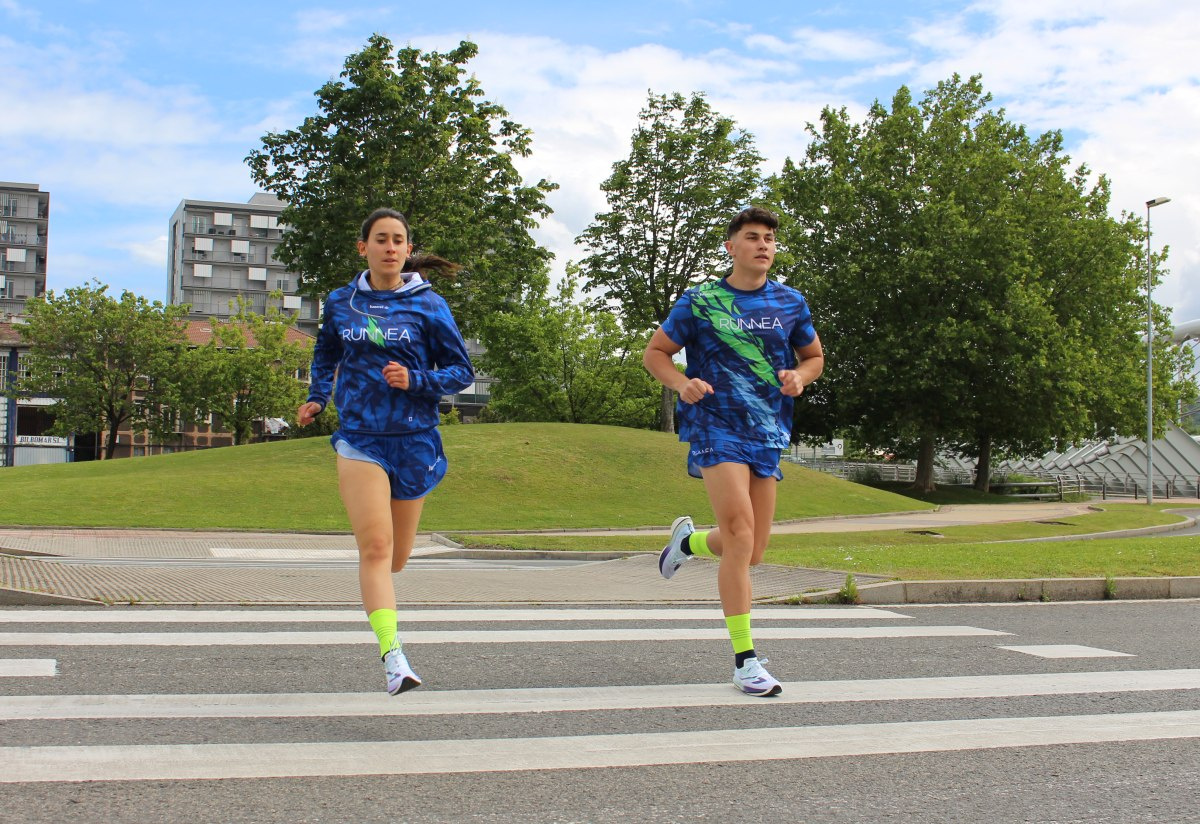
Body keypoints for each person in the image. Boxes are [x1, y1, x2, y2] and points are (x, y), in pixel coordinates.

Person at [642, 206, 825, 696]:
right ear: (731, 246)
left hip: (766, 430)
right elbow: (655, 353)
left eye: (769, 238)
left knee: (753, 552)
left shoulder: (790, 302)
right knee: (740, 534)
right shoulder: (701, 301)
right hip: (715, 426)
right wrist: (682, 384)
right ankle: (745, 660)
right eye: (752, 237)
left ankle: (688, 544)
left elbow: (814, 357)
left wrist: (798, 378)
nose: (763, 245)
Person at [296, 208, 473, 695]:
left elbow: (461, 372)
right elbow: (327, 352)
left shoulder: (429, 305)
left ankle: (388, 619)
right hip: (360, 438)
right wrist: (317, 397)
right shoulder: (340, 302)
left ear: (407, 250)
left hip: (414, 440)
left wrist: (416, 379)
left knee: (396, 558)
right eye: (381, 239)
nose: (390, 247)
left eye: (399, 240)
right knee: (374, 549)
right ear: (364, 248)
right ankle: (393, 657)